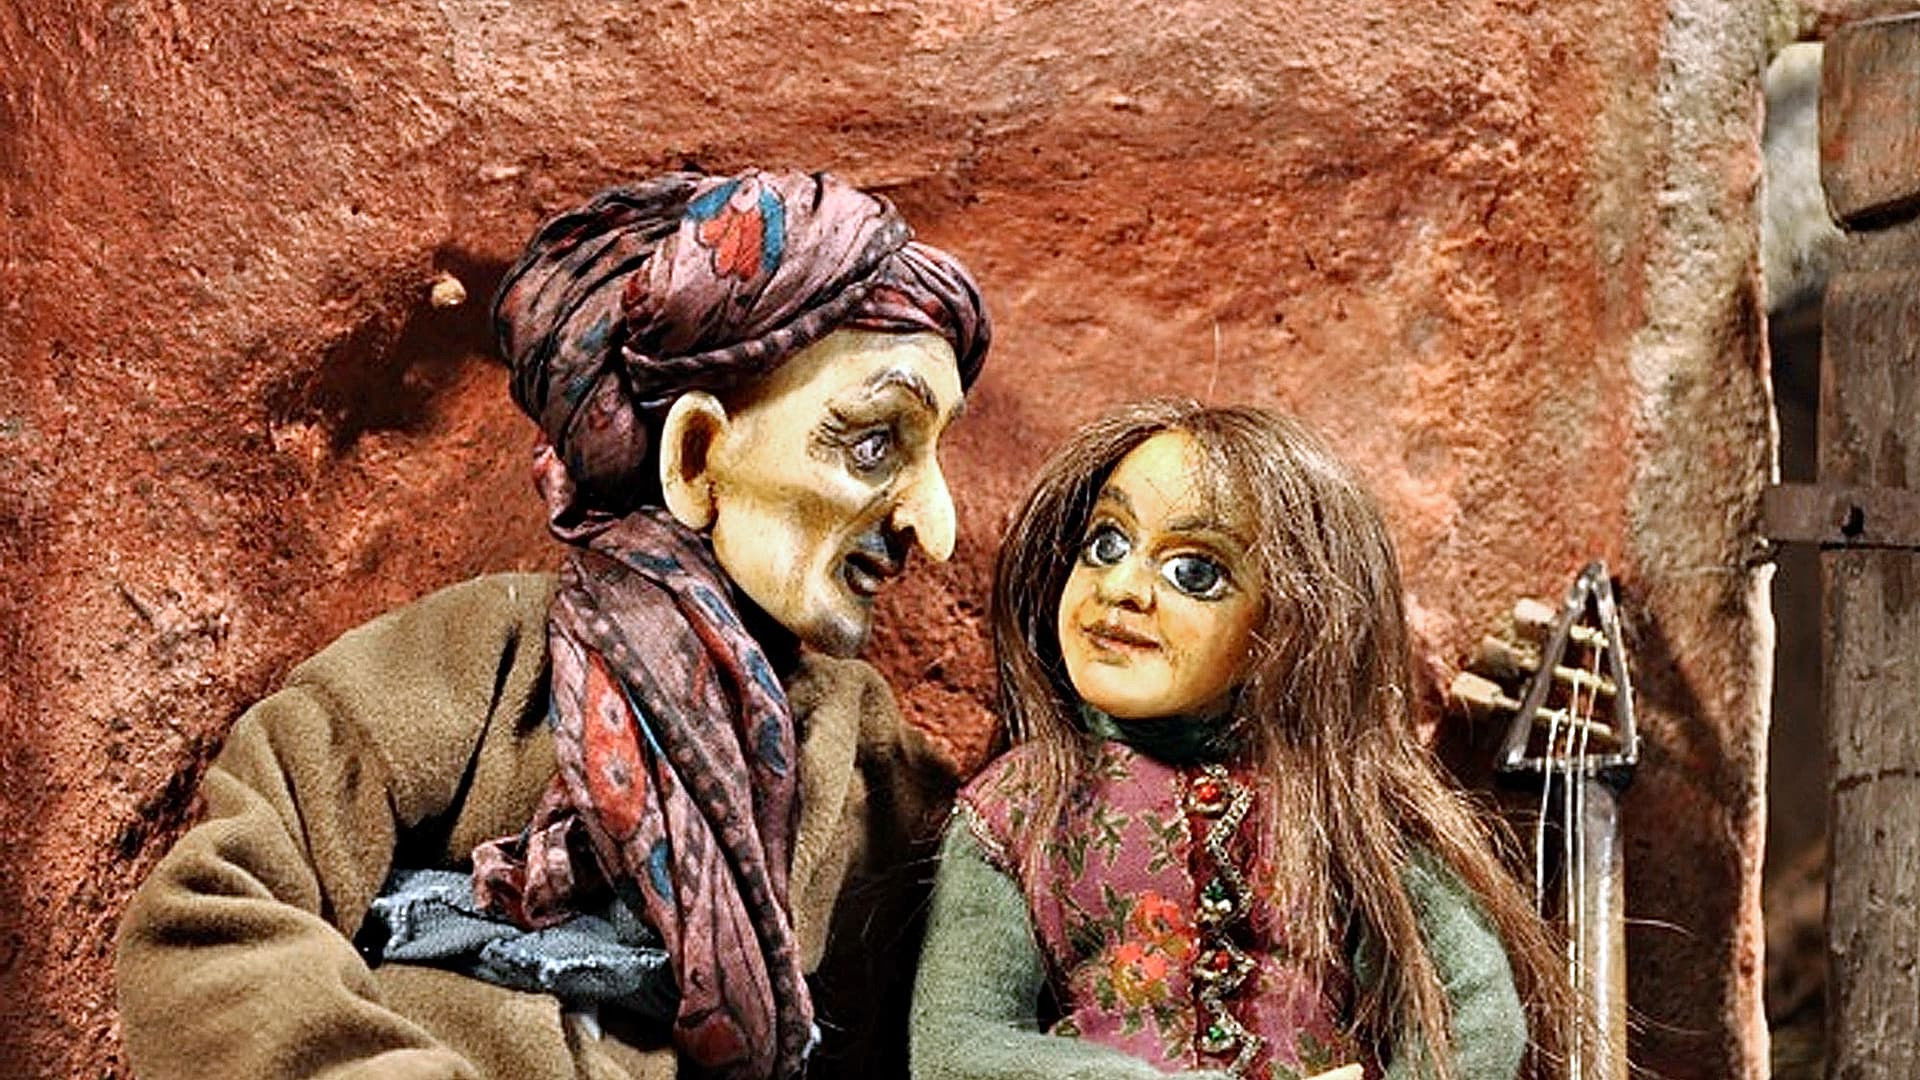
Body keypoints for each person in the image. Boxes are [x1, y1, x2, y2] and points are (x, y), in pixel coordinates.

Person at [116, 169, 991, 1080]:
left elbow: (996, 960)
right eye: (873, 444)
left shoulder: (866, 766)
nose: (934, 527)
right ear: (696, 455)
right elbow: (214, 920)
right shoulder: (485, 659)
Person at [910, 401, 1574, 1080]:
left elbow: (1473, 1009)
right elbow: (958, 1044)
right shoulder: (1020, 806)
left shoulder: (1345, 805)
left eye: (1195, 573)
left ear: (1291, 626)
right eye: (1105, 543)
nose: (1121, 587)